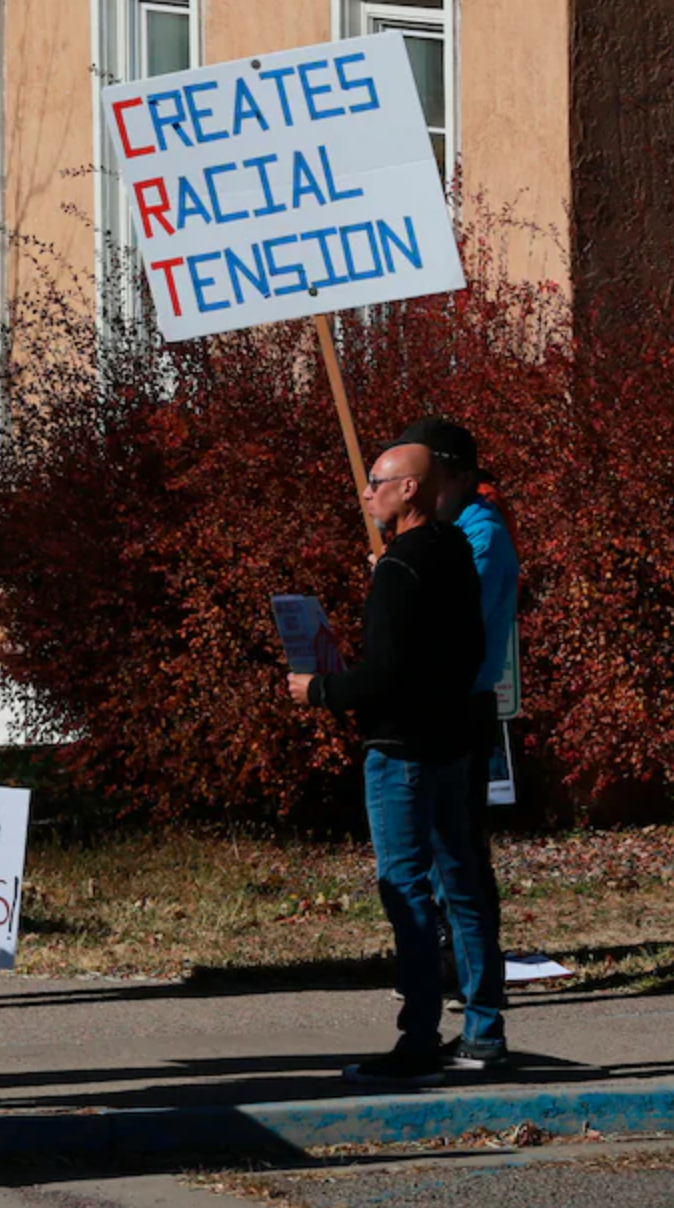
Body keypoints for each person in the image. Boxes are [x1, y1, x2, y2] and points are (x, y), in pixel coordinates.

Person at [287, 442, 506, 1083]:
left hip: (400, 748)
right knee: (462, 884)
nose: (366, 492)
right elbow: (465, 654)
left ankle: (417, 1040)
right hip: (450, 741)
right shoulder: (456, 553)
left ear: (410, 490)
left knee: (405, 890)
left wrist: (319, 690)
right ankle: (485, 1031)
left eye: (377, 482)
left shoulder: (400, 568)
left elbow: (384, 674)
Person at [395, 417, 519, 1028]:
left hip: (462, 707)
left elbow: (452, 614)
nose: (422, 490)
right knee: (436, 859)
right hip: (433, 706)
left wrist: (402, 582)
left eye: (433, 477)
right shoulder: (443, 533)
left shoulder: (481, 534)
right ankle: (451, 974)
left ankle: (478, 998)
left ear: (461, 476)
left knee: (460, 862)